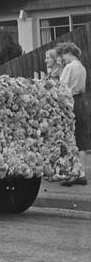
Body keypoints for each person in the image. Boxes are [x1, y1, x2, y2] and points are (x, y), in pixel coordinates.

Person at [56, 42, 89, 186]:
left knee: (70, 137)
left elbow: (61, 86)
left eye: (63, 55)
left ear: (68, 52)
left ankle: (72, 173)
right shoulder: (81, 67)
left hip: (71, 101)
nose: (63, 58)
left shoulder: (69, 67)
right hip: (82, 101)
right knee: (81, 137)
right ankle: (81, 173)